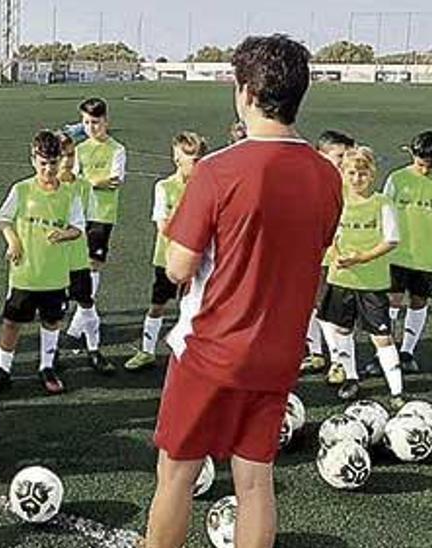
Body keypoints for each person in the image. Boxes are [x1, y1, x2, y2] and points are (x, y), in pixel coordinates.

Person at [144, 34, 341, 548]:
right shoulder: (327, 176)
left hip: (211, 349)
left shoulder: (216, 170)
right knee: (254, 481)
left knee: (176, 474)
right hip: (278, 352)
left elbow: (177, 267)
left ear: (245, 91)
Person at [0, 130, 85, 395]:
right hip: (24, 274)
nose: (48, 169)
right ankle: (3, 369)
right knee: (11, 323)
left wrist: (64, 234)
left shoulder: (69, 195)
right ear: (33, 160)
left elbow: (77, 228)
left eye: (53, 162)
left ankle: (46, 367)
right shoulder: (21, 190)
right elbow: (2, 218)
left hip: (55, 276)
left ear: (61, 160)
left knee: (51, 322)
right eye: (43, 163)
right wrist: (12, 240)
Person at [316, 147, 406, 405]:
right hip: (340, 279)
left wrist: (360, 258)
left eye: (363, 173)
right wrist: (334, 254)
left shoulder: (382, 203)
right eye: (352, 173)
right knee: (342, 329)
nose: (357, 178)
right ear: (343, 174)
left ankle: (397, 391)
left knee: (382, 336)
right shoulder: (336, 200)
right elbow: (327, 231)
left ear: (372, 174)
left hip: (371, 282)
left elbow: (391, 240)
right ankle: (351, 378)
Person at [124, 132, 207, 371]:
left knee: (193, 307)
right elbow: (163, 226)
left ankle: (190, 354)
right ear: (177, 159)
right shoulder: (164, 187)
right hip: (168, 258)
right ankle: (147, 350)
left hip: (197, 261)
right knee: (157, 304)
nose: (198, 164)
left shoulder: (205, 187)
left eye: (201, 159)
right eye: (193, 160)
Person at [380, 130, 432, 373]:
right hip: (396, 253)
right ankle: (386, 350)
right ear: (412, 154)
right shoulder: (397, 179)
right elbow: (384, 211)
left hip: (429, 256)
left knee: (418, 301)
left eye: (431, 165)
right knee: (391, 300)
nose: (425, 169)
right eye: (420, 163)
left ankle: (407, 351)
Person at [66, 98, 126, 371]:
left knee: (93, 263)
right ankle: (82, 314)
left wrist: (90, 181)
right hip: (80, 214)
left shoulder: (117, 149)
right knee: (77, 263)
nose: (91, 128)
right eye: (87, 123)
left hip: (102, 214)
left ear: (106, 121)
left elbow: (115, 180)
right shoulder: (80, 149)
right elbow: (74, 178)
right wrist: (95, 181)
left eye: (96, 122)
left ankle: (81, 317)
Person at [307, 130, 355, 380]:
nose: (346, 161)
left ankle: (340, 362)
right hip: (311, 256)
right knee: (311, 307)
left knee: (330, 313)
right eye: (340, 155)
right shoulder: (310, 184)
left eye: (349, 154)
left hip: (337, 260)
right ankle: (316, 353)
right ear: (321, 156)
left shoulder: (351, 186)